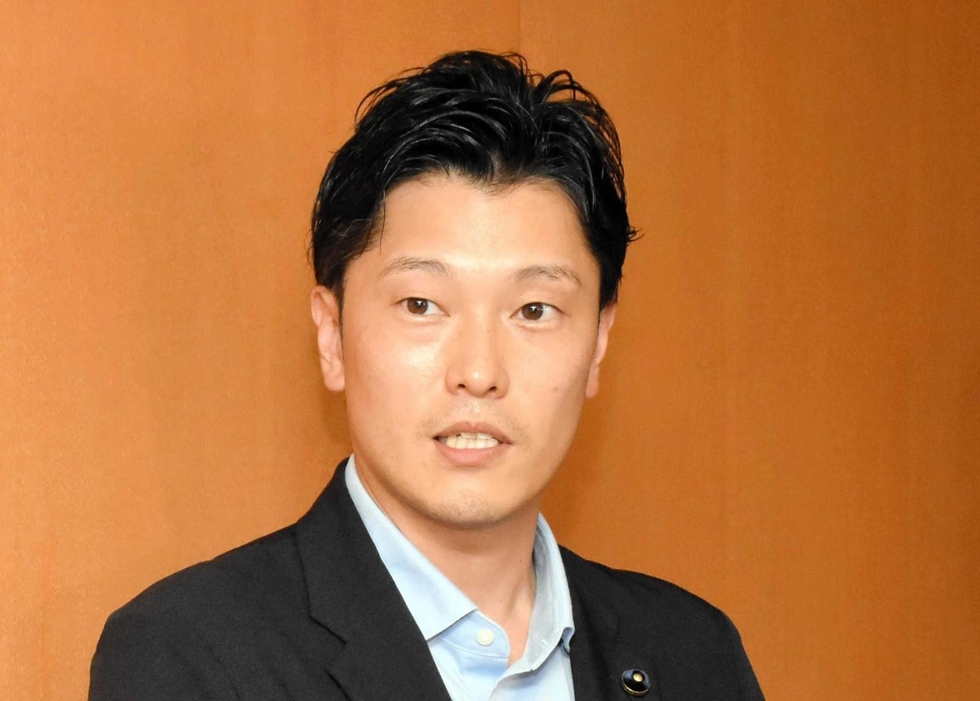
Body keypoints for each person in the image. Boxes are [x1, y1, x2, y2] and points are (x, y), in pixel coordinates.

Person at [89, 50, 764, 700]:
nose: (479, 372)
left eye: (534, 310)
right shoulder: (189, 654)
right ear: (332, 334)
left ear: (596, 344)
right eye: (421, 305)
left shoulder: (693, 653)